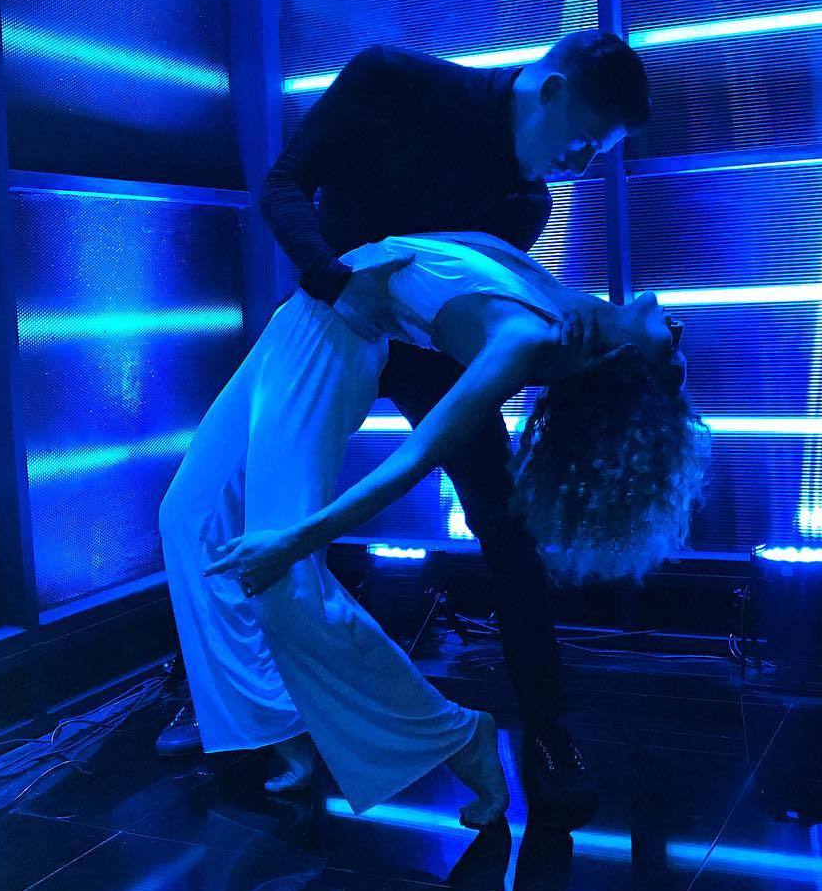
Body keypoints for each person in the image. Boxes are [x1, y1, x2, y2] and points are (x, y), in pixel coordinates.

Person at [156, 29, 665, 819]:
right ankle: (264, 708)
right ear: (554, 92)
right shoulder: (393, 81)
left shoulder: (528, 208)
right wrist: (334, 279)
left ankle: (542, 731)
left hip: (419, 353)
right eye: (587, 141)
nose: (581, 164)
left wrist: (560, 316)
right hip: (329, 317)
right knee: (194, 513)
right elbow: (285, 185)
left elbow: (463, 282)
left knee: (503, 523)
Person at [158, 222, 708, 828]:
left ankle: (458, 736)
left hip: (331, 343)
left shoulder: (525, 337)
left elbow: (417, 457)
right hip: (307, 314)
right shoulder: (558, 304)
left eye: (672, 355)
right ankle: (277, 717)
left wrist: (298, 539)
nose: (679, 331)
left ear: (623, 362)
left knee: (283, 579)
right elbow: (453, 242)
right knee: (188, 516)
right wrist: (338, 272)